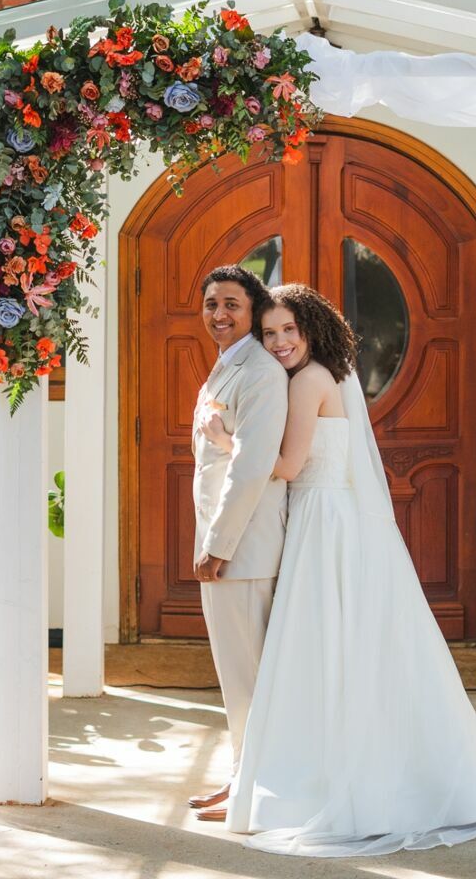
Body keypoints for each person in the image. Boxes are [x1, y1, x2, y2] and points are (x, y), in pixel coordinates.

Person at [201, 284, 476, 856]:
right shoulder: (329, 375)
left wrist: (226, 437)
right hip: (330, 516)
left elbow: (287, 465)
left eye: (289, 330)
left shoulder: (310, 380)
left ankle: (329, 781)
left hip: (322, 520)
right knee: (343, 646)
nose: (280, 341)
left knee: (329, 646)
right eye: (270, 333)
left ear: (312, 329)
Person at [184, 265, 291, 822]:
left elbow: (252, 467)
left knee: (247, 678)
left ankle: (251, 786)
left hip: (243, 552)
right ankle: (242, 775)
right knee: (237, 675)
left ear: (252, 311)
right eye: (210, 304)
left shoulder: (260, 373)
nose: (219, 314)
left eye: (231, 304)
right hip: (226, 543)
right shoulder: (228, 366)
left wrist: (220, 544)